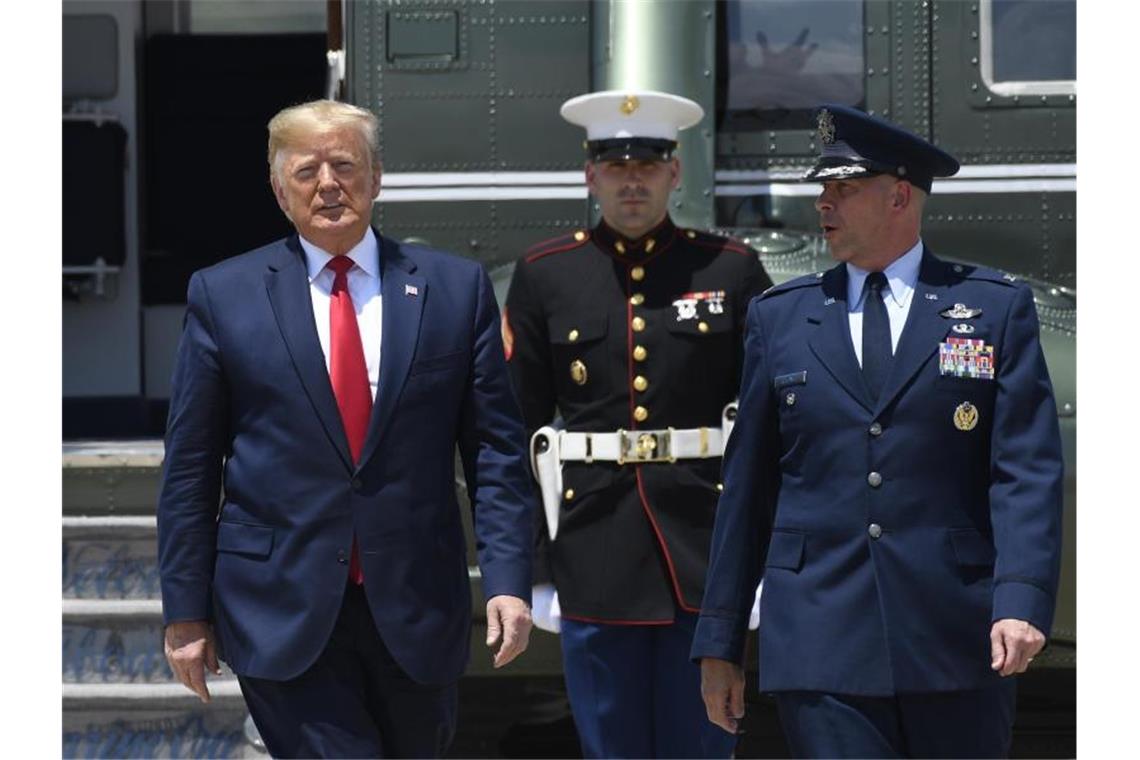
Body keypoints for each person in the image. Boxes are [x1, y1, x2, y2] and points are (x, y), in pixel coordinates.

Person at [157, 99, 534, 758]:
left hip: (417, 608)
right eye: (306, 171)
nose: (328, 184)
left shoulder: (455, 289)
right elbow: (190, 465)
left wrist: (507, 579)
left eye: (345, 165)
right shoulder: (225, 295)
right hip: (281, 608)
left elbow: (495, 454)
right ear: (280, 191)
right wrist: (186, 610)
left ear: (377, 177)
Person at [692, 103, 1063, 758]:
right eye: (823, 190)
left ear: (899, 196)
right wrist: (720, 643)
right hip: (822, 641)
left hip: (956, 635)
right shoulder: (782, 318)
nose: (824, 206)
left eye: (844, 189)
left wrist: (1022, 600)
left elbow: (1024, 473)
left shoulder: (993, 310)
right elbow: (748, 489)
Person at [503, 89, 772, 758]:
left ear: (675, 172)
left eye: (647, 166)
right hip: (594, 550)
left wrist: (762, 561)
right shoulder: (545, 275)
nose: (632, 181)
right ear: (590, 174)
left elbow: (771, 428)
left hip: (705, 549)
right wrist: (531, 566)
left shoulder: (730, 270)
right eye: (615, 167)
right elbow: (517, 430)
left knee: (704, 743)